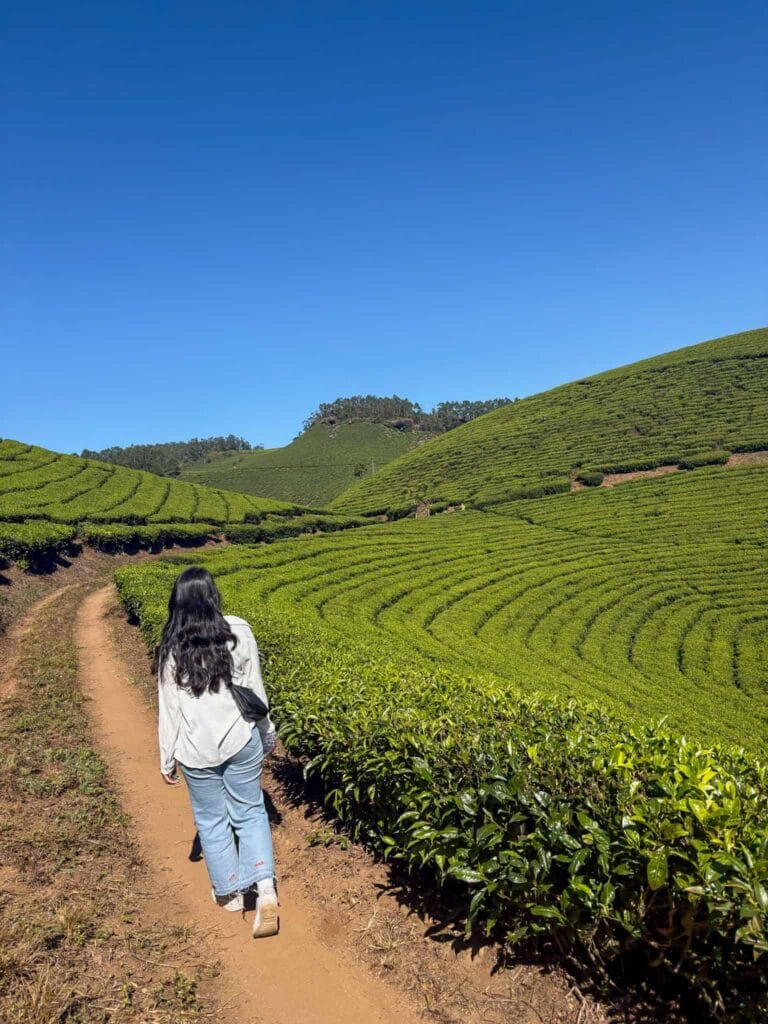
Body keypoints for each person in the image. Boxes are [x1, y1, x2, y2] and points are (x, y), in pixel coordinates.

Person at [154, 566, 279, 938]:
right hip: (240, 740)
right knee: (251, 811)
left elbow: (169, 710)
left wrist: (166, 759)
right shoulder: (238, 631)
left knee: (211, 820)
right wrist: (267, 734)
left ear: (177, 603)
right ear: (213, 597)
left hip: (196, 751)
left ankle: (230, 893)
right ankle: (266, 888)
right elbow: (255, 690)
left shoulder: (172, 647)